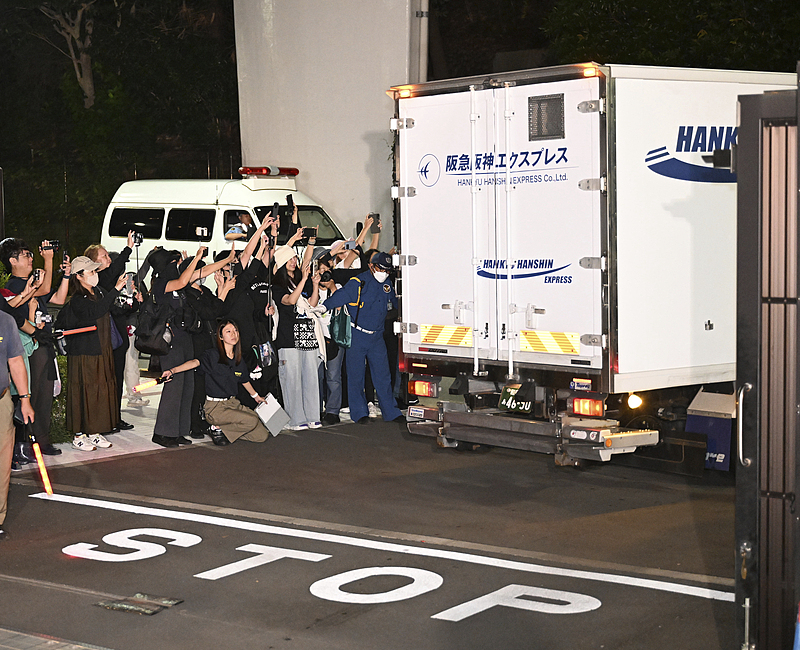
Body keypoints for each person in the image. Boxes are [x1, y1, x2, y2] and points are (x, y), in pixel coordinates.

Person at [149, 245, 234, 447]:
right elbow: (182, 280)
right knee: (174, 385)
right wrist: (195, 258)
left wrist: (227, 259)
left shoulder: (181, 282)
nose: (177, 265)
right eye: (173, 262)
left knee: (187, 385)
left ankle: (179, 430)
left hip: (186, 337)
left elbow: (203, 271)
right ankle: (162, 432)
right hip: (170, 340)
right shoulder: (162, 284)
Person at [0, 237, 70, 456]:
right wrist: (48, 259)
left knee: (44, 395)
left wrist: (63, 272)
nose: (31, 258)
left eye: (31, 254)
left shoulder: (27, 283)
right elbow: (41, 291)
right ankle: (30, 443)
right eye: (26, 255)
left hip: (40, 342)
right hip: (28, 347)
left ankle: (41, 439)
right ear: (12, 260)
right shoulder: (13, 285)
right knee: (32, 396)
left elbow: (52, 294)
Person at [317, 251, 404, 426]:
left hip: (377, 337)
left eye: (387, 270)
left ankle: (391, 411)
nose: (384, 273)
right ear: (372, 266)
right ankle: (359, 413)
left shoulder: (386, 284)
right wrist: (323, 307)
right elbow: (339, 297)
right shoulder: (358, 283)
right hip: (357, 336)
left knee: (383, 376)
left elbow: (395, 303)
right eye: (381, 268)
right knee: (355, 376)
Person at [162, 320, 270, 445]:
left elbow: (244, 380)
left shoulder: (238, 359)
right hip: (215, 408)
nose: (233, 334)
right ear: (220, 336)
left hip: (233, 403)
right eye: (228, 331)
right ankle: (216, 428)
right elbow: (195, 363)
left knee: (261, 435)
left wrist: (256, 396)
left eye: (235, 331)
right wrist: (172, 370)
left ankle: (224, 431)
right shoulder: (212, 355)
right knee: (252, 420)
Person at [65, 256, 128, 451]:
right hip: (85, 352)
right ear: (79, 276)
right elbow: (95, 311)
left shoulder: (99, 292)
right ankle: (78, 435)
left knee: (100, 390)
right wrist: (116, 289)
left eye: (95, 271)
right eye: (91, 272)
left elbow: (110, 308)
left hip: (102, 349)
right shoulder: (77, 299)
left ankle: (93, 431)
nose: (95, 275)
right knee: (83, 390)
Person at [85, 232, 136, 430]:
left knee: (117, 379)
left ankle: (115, 417)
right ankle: (108, 419)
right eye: (104, 256)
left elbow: (120, 308)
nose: (109, 259)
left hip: (119, 336)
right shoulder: (101, 279)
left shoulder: (110, 281)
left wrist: (135, 303)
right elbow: (114, 268)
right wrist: (128, 248)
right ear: (94, 264)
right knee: (110, 379)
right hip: (108, 339)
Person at [271, 241, 325, 430]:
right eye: (290, 258)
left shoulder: (302, 279)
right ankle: (295, 419)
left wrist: (315, 284)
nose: (294, 261)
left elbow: (312, 303)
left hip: (307, 334)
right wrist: (304, 280)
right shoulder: (277, 285)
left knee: (310, 376)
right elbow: (289, 300)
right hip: (287, 337)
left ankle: (312, 415)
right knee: (292, 379)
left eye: (295, 257)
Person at [0, 308, 34, 540]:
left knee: (2, 462)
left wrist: (25, 399)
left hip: (1, 399)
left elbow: (15, 361)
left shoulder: (5, 321)